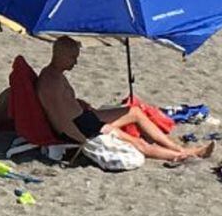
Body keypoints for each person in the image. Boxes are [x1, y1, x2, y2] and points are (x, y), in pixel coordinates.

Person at [37, 37, 214, 162]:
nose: (75, 63)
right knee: (138, 144)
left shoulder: (56, 75)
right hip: (83, 127)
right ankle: (186, 154)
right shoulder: (50, 83)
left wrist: (80, 104)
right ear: (59, 55)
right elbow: (59, 119)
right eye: (72, 57)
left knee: (135, 111)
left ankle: (176, 147)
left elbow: (66, 105)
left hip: (85, 116)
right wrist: (83, 141)